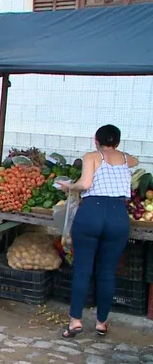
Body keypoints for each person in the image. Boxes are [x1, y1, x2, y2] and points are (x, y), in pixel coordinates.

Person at [60, 125, 138, 338]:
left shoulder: (92, 156)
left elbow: (85, 183)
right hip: (118, 216)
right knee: (107, 272)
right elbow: (135, 160)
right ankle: (101, 323)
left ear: (96, 140)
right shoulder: (126, 158)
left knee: (83, 270)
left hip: (91, 214)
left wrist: (69, 187)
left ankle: (75, 321)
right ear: (118, 142)